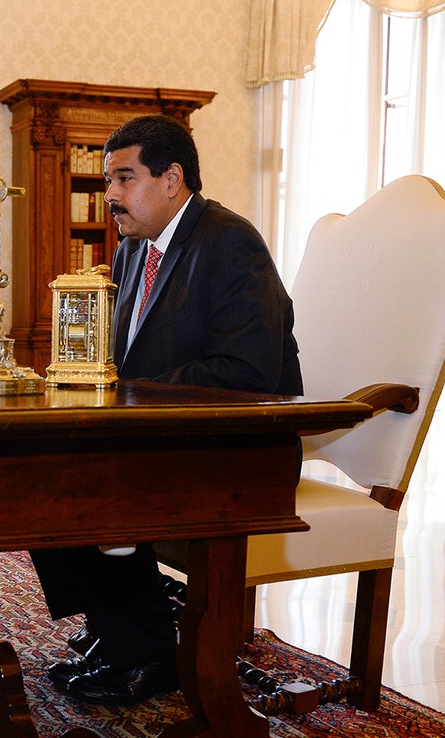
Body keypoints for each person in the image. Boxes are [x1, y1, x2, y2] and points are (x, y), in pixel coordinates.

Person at [30, 114, 302, 706]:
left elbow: (248, 375)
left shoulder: (229, 242)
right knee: (38, 465)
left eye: (124, 179)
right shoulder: (133, 252)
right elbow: (122, 361)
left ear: (172, 178)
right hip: (161, 437)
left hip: (238, 447)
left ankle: (153, 650)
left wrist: (126, 393)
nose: (110, 196)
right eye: (107, 182)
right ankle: (118, 628)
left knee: (92, 482)